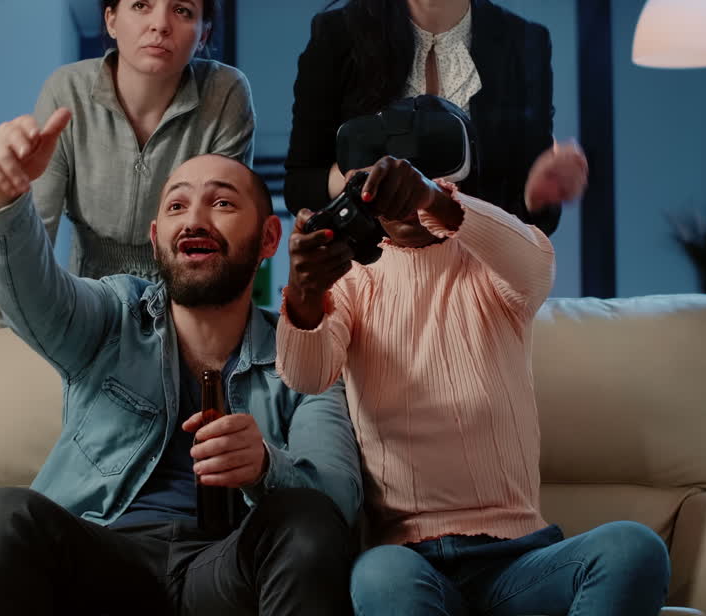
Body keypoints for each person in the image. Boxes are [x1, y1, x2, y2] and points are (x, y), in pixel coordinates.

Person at [0, 117, 362, 615]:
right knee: (0, 514)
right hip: (103, 564)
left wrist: (263, 466)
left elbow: (336, 502)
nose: (194, 220)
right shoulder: (112, 317)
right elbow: (32, 294)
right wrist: (5, 198)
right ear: (156, 237)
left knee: (307, 517)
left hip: (227, 573)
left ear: (269, 238)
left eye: (223, 202)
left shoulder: (306, 356)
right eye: (176, 205)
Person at [276, 155, 668, 616]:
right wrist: (303, 293)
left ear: (443, 182)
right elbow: (305, 375)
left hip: (520, 560)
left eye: (406, 182)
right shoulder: (352, 282)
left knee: (632, 548)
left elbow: (534, 263)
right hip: (411, 564)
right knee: (378, 574)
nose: (396, 198)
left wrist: (432, 200)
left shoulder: (489, 261)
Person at [0, 0, 256, 333]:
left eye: (182, 11)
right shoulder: (67, 90)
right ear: (111, 20)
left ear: (203, 34)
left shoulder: (226, 93)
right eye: (141, 5)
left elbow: (225, 236)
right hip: (85, 306)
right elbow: (28, 233)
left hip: (187, 307)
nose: (160, 25)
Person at [284, 0, 584, 236]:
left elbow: (534, 220)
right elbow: (298, 186)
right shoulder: (335, 37)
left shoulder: (525, 42)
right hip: (370, 269)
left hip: (479, 264)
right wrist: (352, 180)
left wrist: (537, 196)